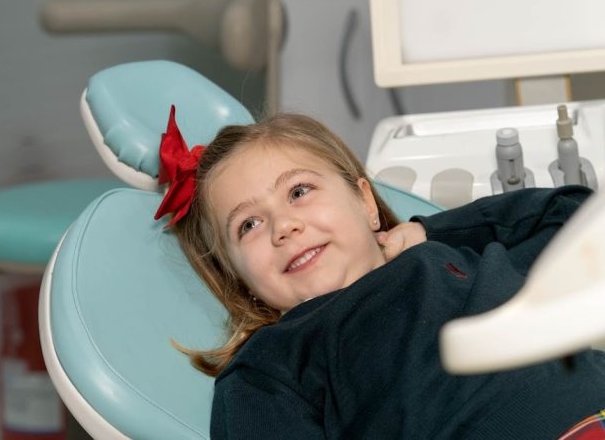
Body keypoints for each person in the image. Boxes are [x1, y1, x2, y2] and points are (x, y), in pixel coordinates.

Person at [153, 109, 605, 439]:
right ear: (239, 278)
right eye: (248, 225)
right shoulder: (272, 364)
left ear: (366, 203)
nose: (283, 226)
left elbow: (581, 220)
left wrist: (434, 229)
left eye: (299, 191)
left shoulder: (448, 255)